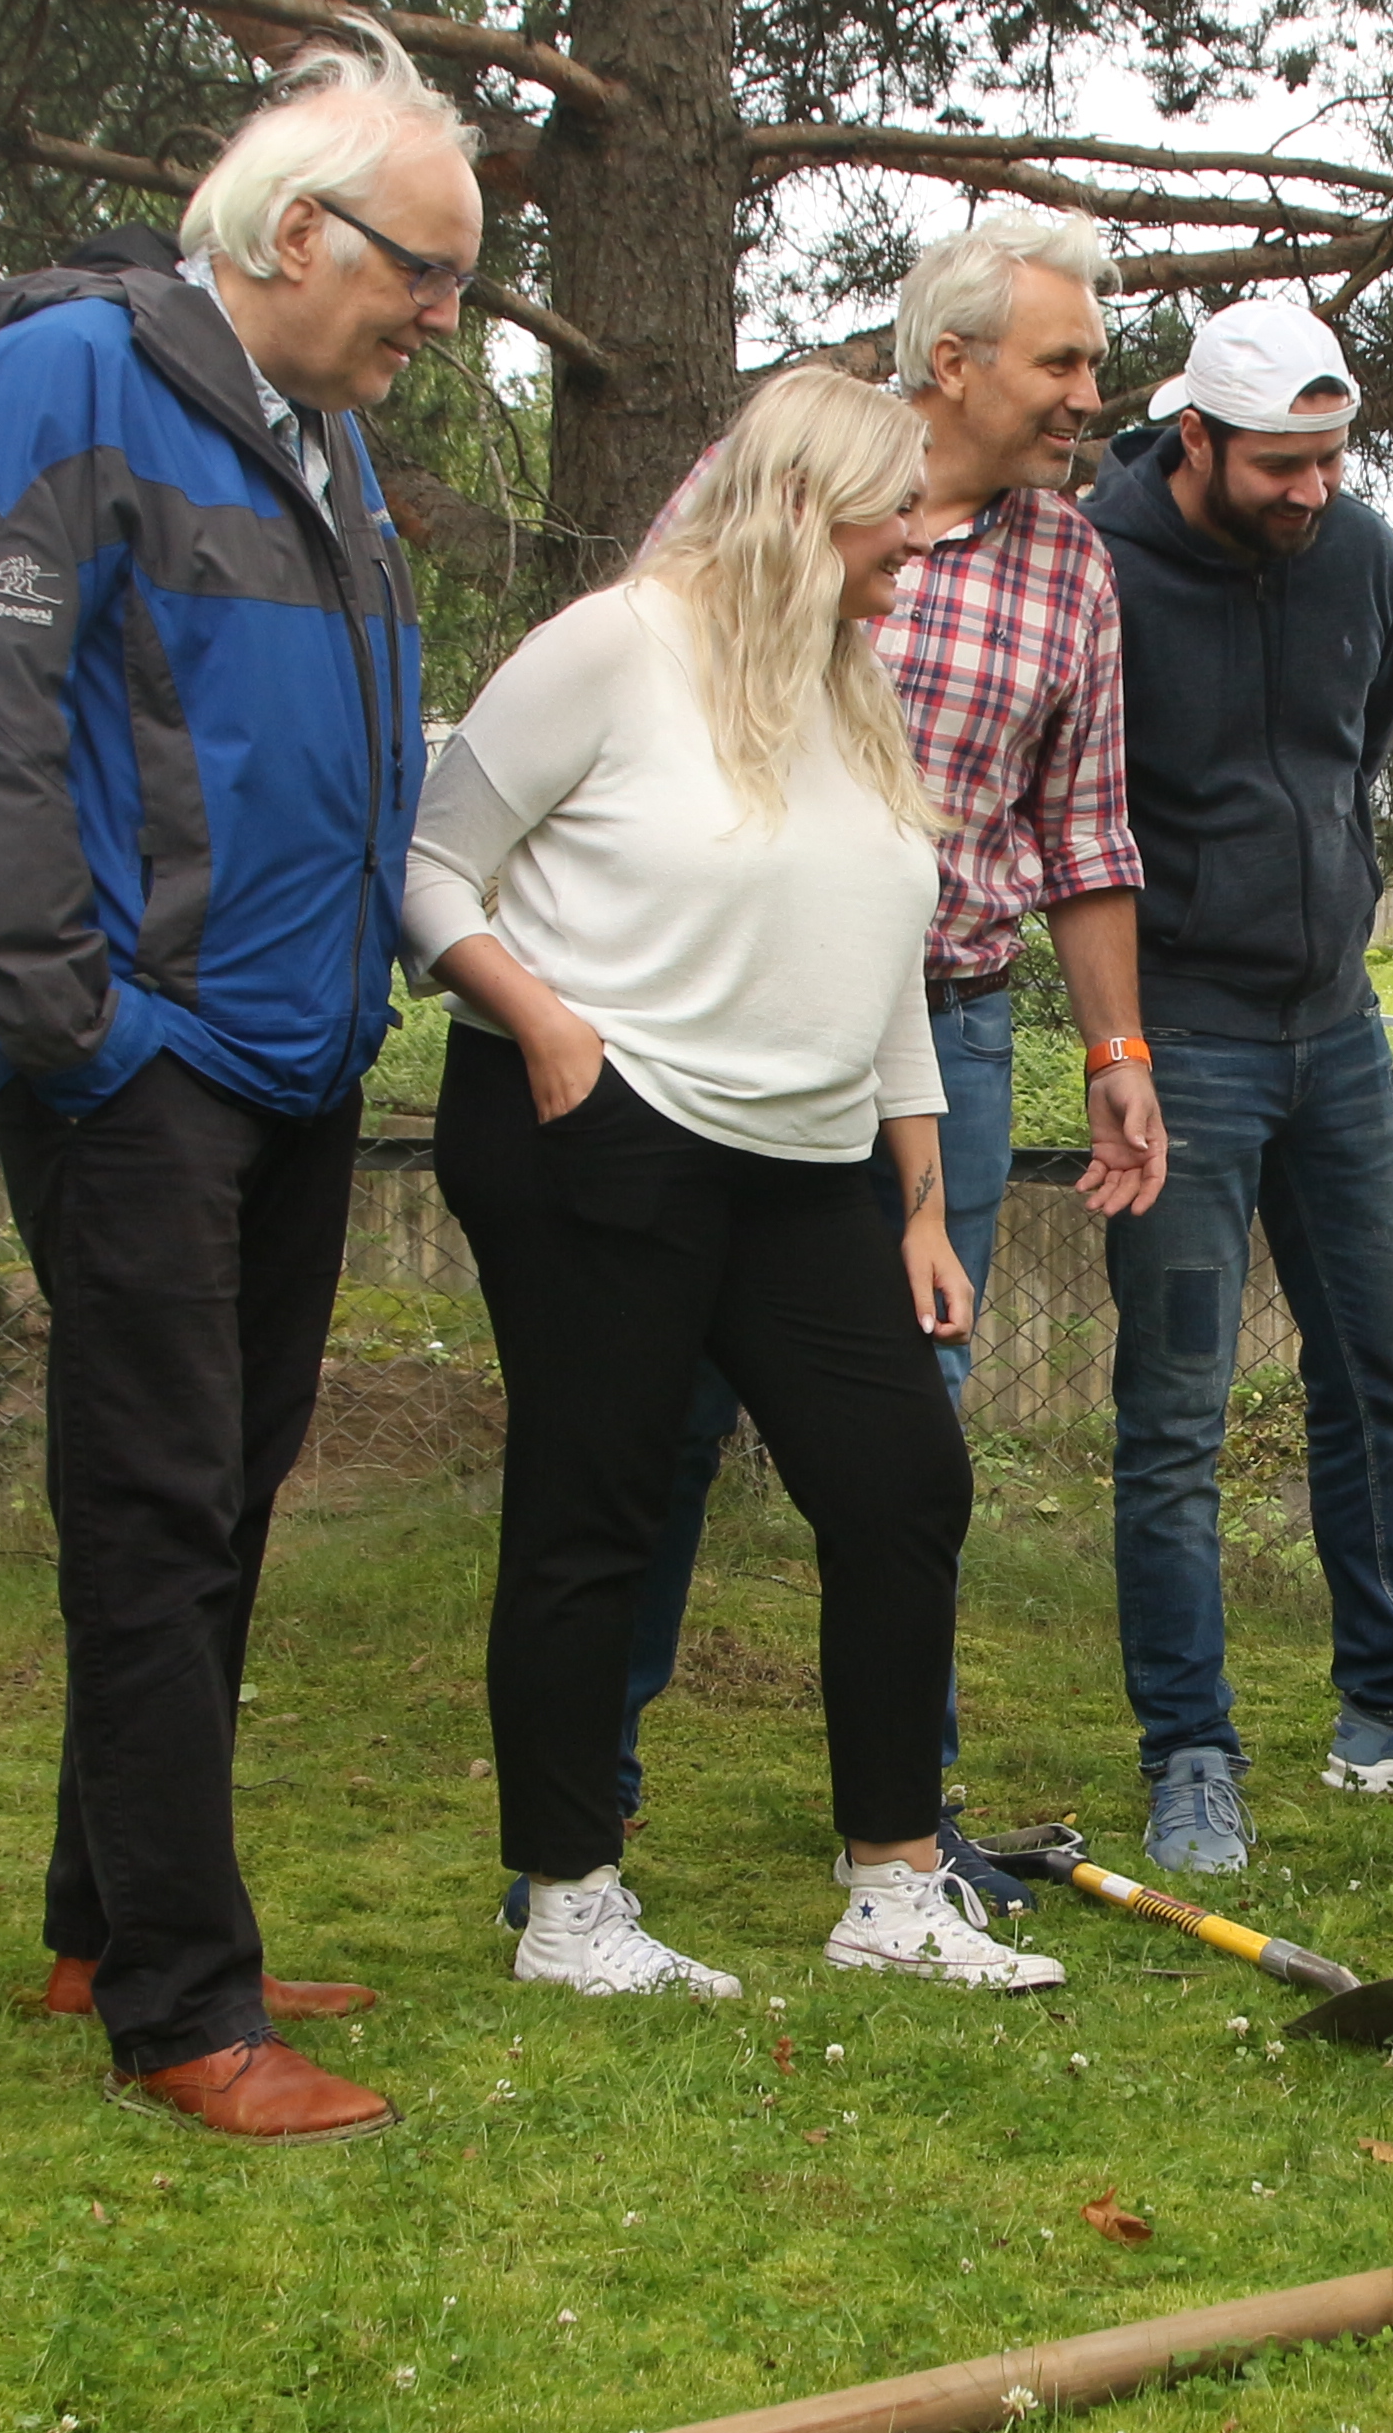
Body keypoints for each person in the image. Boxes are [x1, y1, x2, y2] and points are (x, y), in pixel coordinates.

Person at [0, 28, 459, 2144]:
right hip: (145, 1058)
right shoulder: (67, 377)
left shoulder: (321, 439)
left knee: (220, 1498)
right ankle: (182, 2016)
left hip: (296, 1057)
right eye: (424, 270)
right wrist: (77, 1024)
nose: (442, 314)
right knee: (150, 1510)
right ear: (297, 230)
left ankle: (102, 1919)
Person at [411, 364, 1065, 1999]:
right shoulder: (611, 647)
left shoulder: (846, 681)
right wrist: (541, 1024)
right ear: (792, 510)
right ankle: (568, 1904)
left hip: (802, 1162)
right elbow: (428, 867)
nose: (918, 539)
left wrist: (915, 1197)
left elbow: (876, 950)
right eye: (890, 512)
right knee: (600, 1506)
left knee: (901, 1481)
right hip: (602, 1130)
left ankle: (891, 1888)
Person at [557, 209, 1166, 1917]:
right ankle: (579, 1820)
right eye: (1059, 361)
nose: (1084, 397)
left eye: (1090, 364)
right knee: (660, 1421)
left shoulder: (1072, 561)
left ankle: (904, 1825)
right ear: (949, 362)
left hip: (944, 1045)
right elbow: (640, 691)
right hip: (719, 1039)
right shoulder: (775, 480)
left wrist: (1114, 1051)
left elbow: (1085, 835)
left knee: (914, 1435)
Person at [1083, 291, 1393, 1873]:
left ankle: (1390, 1708)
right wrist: (1125, 1036)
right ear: (1198, 440)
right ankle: (1191, 1751)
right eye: (1281, 465)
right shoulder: (1101, 562)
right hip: (1184, 1038)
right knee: (1173, 1415)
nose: (1312, 492)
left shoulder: (1355, 555)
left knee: (1375, 1381)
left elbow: (1356, 753)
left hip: (1338, 1028)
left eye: (1331, 461)